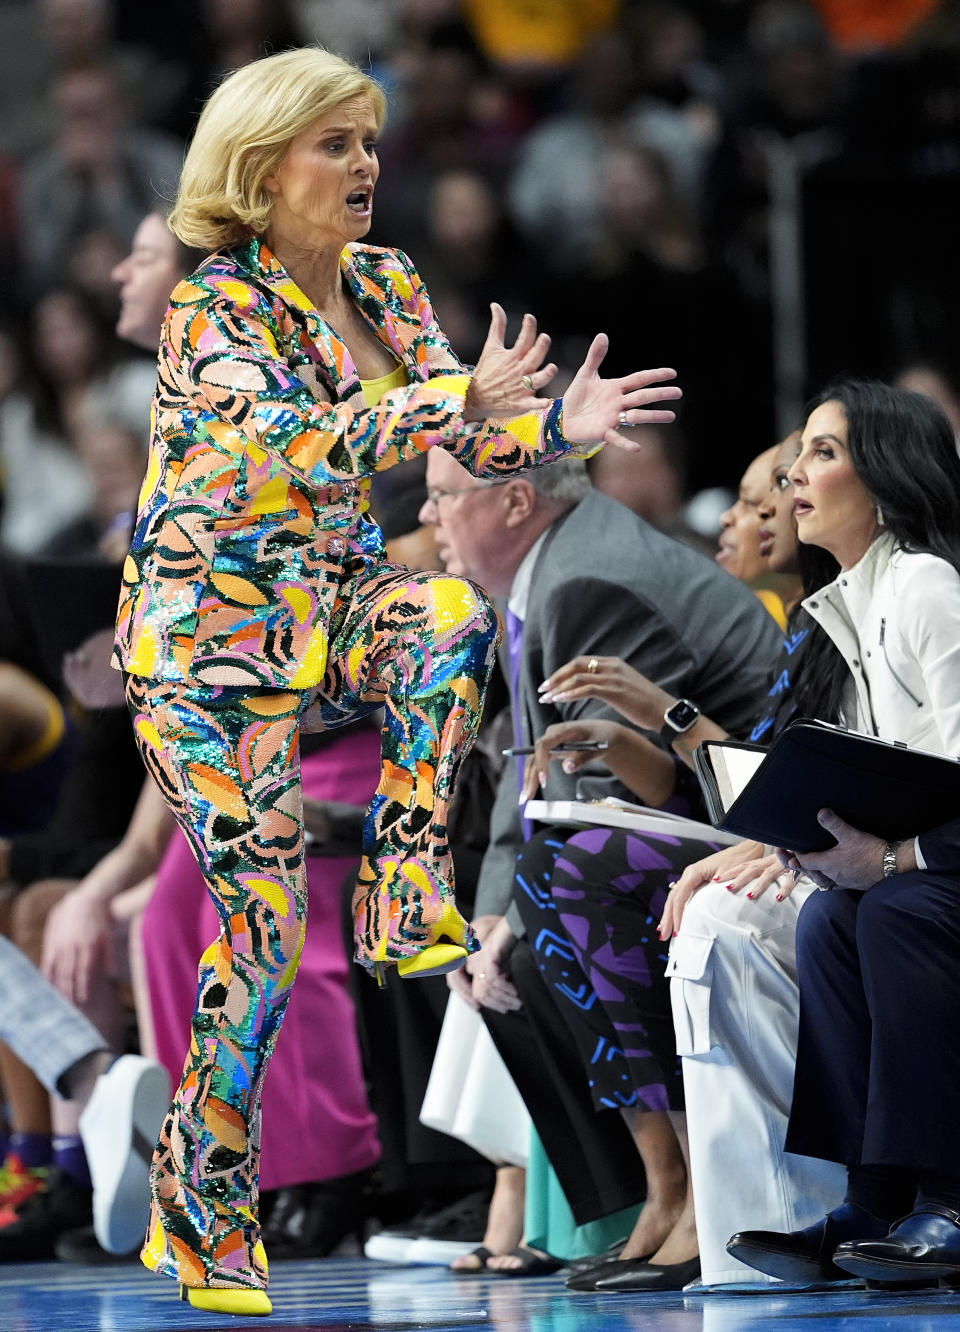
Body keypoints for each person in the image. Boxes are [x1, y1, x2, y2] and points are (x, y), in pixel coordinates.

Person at [111, 47, 681, 1316]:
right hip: (208, 657)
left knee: (442, 612)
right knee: (257, 938)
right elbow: (300, 439)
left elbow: (465, 436)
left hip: (335, 615)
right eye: (335, 143)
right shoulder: (215, 307)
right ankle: (198, 1213)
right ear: (260, 171)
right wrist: (447, 397)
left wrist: (553, 430)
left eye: (370, 141)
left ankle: (399, 883)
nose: (365, 165)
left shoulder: (386, 281)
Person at [419, 445, 781, 1277]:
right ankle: (658, 1188)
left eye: (443, 496)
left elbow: (602, 787)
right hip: (693, 805)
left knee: (565, 880)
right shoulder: (552, 568)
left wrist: (505, 911)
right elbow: (543, 774)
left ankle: (684, 1185)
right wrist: (488, 915)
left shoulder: (592, 575)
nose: (429, 517)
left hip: (748, 816)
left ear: (515, 501)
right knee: (511, 910)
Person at [717, 382, 960, 1290]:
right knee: (832, 918)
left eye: (822, 452)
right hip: (926, 873)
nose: (795, 473)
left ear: (887, 475)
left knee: (894, 908)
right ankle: (874, 1198)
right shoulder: (848, 608)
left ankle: (948, 1195)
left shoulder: (930, 589)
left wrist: (893, 857)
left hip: (938, 877)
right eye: (799, 455)